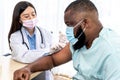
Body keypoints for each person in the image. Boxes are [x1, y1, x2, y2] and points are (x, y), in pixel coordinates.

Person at [13, 0, 120, 80]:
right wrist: (28, 69)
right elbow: (53, 60)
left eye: (70, 25)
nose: (67, 31)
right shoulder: (80, 41)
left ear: (85, 23)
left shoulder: (113, 52)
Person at [8, 1, 55, 80]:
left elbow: (53, 55)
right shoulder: (15, 37)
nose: (31, 18)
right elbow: (23, 56)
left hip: (43, 72)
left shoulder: (45, 33)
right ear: (19, 20)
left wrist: (59, 45)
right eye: (26, 16)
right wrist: (48, 51)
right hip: (25, 73)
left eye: (33, 14)